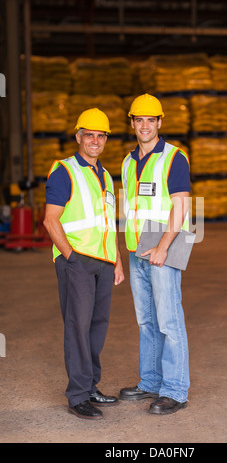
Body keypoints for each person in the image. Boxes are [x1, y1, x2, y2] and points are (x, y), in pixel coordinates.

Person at [44, 108, 124, 420]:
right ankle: (78, 395)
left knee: (97, 326)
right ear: (79, 137)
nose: (94, 140)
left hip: (103, 263)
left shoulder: (104, 175)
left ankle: (90, 386)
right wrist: (70, 257)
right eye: (88, 134)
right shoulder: (64, 171)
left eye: (100, 135)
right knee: (78, 327)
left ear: (105, 139)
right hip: (76, 261)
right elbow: (51, 221)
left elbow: (108, 223)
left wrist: (116, 260)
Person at [119, 94, 191, 415]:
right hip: (137, 247)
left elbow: (181, 204)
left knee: (169, 319)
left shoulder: (174, 157)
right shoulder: (127, 161)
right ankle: (150, 381)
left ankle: (175, 389)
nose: (145, 126)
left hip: (164, 244)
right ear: (132, 123)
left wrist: (163, 247)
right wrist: (126, 248)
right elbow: (129, 208)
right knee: (146, 319)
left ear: (160, 122)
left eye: (151, 120)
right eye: (139, 120)